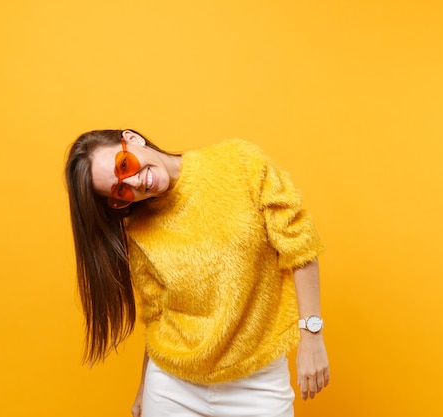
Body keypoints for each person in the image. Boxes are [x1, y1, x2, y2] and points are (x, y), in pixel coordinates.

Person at [65, 129, 330, 417]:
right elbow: (156, 315)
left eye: (124, 165)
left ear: (132, 139)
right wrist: (144, 386)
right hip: (172, 387)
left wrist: (311, 336)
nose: (134, 182)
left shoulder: (240, 163)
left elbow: (300, 246)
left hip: (256, 380)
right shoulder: (138, 230)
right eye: (120, 191)